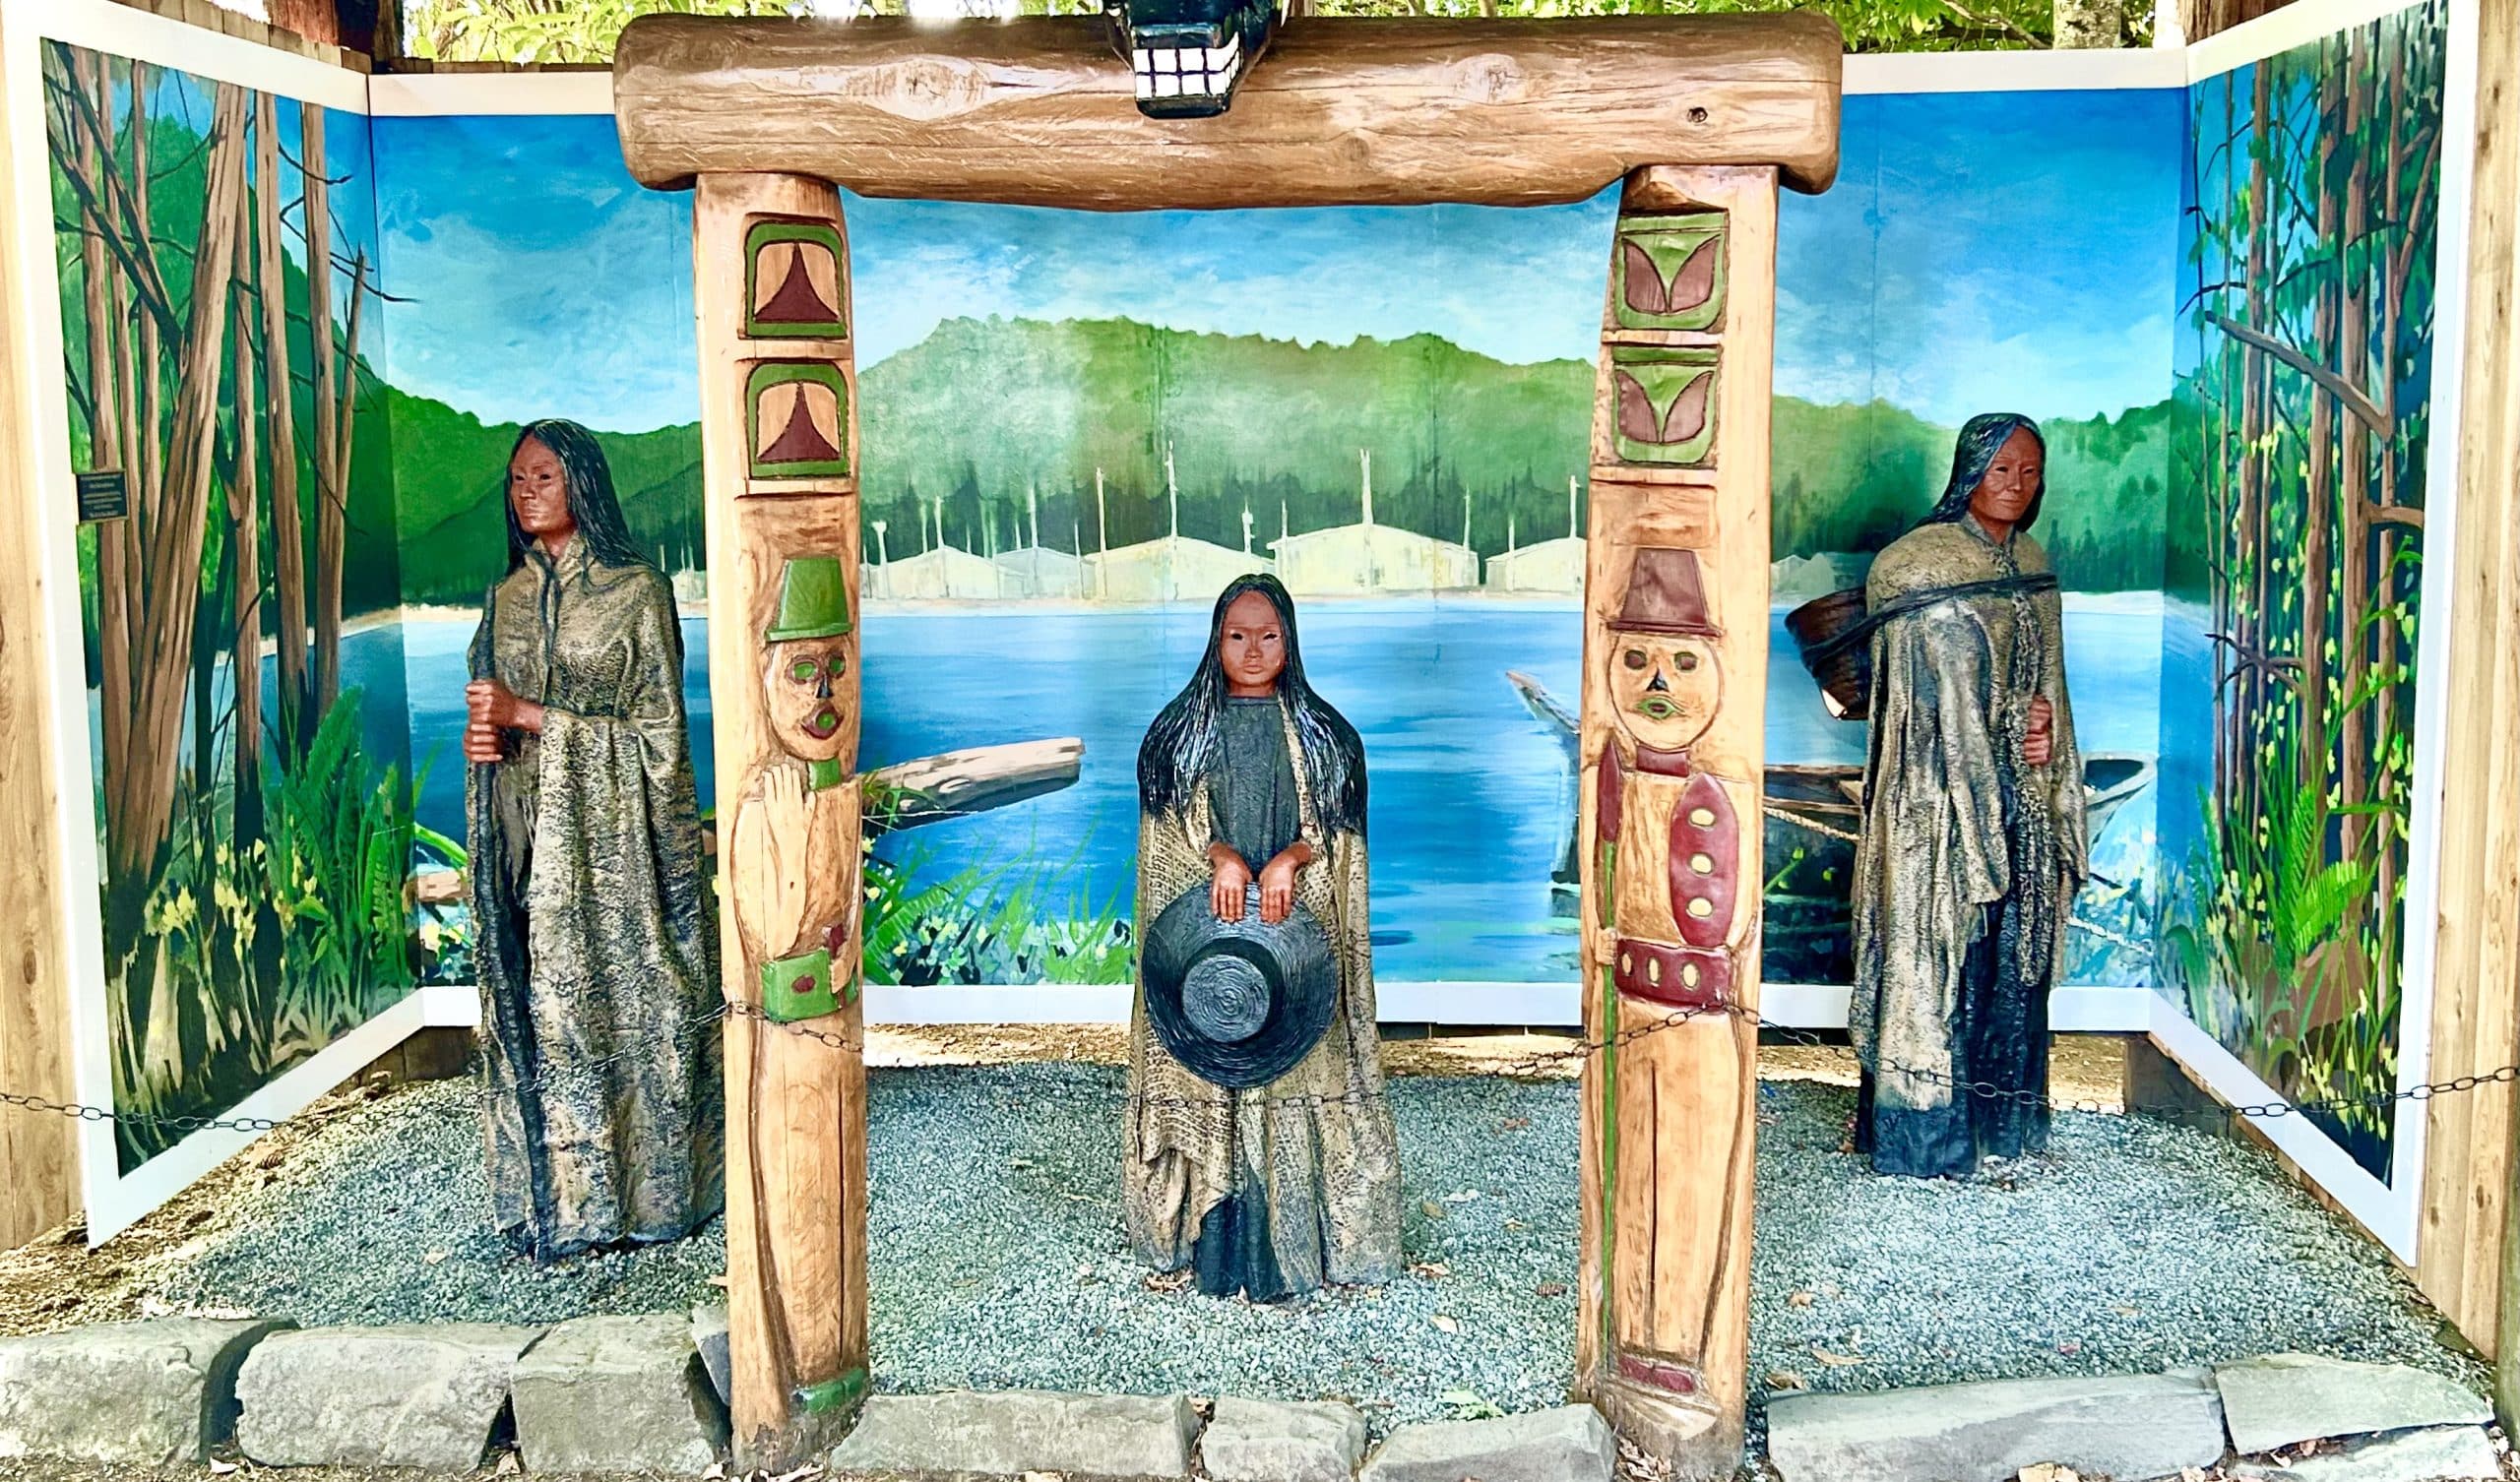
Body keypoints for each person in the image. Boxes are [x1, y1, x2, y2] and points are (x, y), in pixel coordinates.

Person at [465, 418, 723, 1260]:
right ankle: (555, 1200)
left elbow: (660, 741)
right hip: (526, 842)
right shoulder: (504, 599)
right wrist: (487, 739)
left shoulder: (636, 593)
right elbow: (492, 714)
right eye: (517, 479)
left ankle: (645, 1198)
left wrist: (532, 716)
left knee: (623, 1004)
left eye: (544, 476)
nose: (526, 492)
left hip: (615, 860)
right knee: (537, 1007)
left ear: (583, 482)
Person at [1125, 575, 1402, 1299]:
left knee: (1301, 1063)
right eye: (1237, 636)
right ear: (1215, 641)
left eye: (1269, 636)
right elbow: (1165, 852)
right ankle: (1204, 1236)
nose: (1253, 651)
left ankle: (1300, 1242)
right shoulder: (1176, 739)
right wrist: (1219, 855)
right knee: (1212, 1052)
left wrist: (1293, 859)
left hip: (1291, 956)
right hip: (1211, 961)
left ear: (1291, 641)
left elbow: (1342, 854)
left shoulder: (1329, 741)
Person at [1849, 412, 2088, 1179]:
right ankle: (1927, 1138)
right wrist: (2010, 721)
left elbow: (2050, 680)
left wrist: (2045, 736)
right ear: (1968, 473)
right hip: (1937, 807)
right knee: (1937, 951)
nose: (2016, 485)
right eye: (2000, 470)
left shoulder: (2033, 561)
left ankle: (2002, 1126)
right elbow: (1923, 703)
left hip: (2021, 801)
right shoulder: (1915, 565)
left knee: (2013, 956)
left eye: (2030, 472)